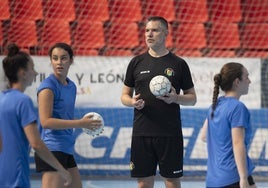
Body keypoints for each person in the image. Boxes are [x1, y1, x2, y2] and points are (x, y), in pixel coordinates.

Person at [120, 16, 197, 188]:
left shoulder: (178, 64)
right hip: (142, 133)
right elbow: (124, 95)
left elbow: (192, 99)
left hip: (170, 134)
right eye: (147, 30)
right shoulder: (136, 62)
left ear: (165, 33)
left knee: (172, 183)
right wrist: (132, 102)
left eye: (154, 30)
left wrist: (176, 98)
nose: (149, 34)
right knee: (143, 184)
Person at [0, 43, 72, 188]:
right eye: (32, 68)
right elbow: (36, 144)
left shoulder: (1, 99)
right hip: (16, 177)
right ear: (23, 73)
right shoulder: (23, 101)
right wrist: (61, 169)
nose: (35, 73)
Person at [34, 42, 102, 188]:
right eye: (55, 58)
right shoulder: (48, 87)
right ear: (51, 60)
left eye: (63, 58)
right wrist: (80, 123)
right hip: (51, 148)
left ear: (71, 60)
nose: (59, 62)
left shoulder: (71, 86)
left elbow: (64, 117)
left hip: (66, 147)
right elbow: (45, 121)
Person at [201, 62, 256, 188]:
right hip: (234, 176)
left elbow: (204, 136)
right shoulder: (237, 108)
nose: (249, 81)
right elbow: (238, 143)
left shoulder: (215, 106)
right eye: (247, 77)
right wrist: (243, 178)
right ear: (237, 82)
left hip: (214, 179)